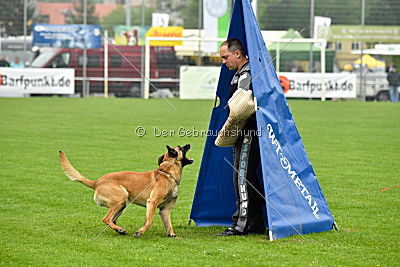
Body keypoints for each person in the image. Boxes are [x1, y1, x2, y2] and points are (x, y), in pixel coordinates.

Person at [217, 38, 266, 236]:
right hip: (246, 132)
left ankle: (242, 224)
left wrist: (229, 129)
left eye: (225, 57)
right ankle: (254, 223)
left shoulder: (246, 74)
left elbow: (243, 107)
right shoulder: (241, 73)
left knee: (243, 177)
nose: (223, 61)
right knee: (247, 177)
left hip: (248, 133)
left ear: (237, 54)